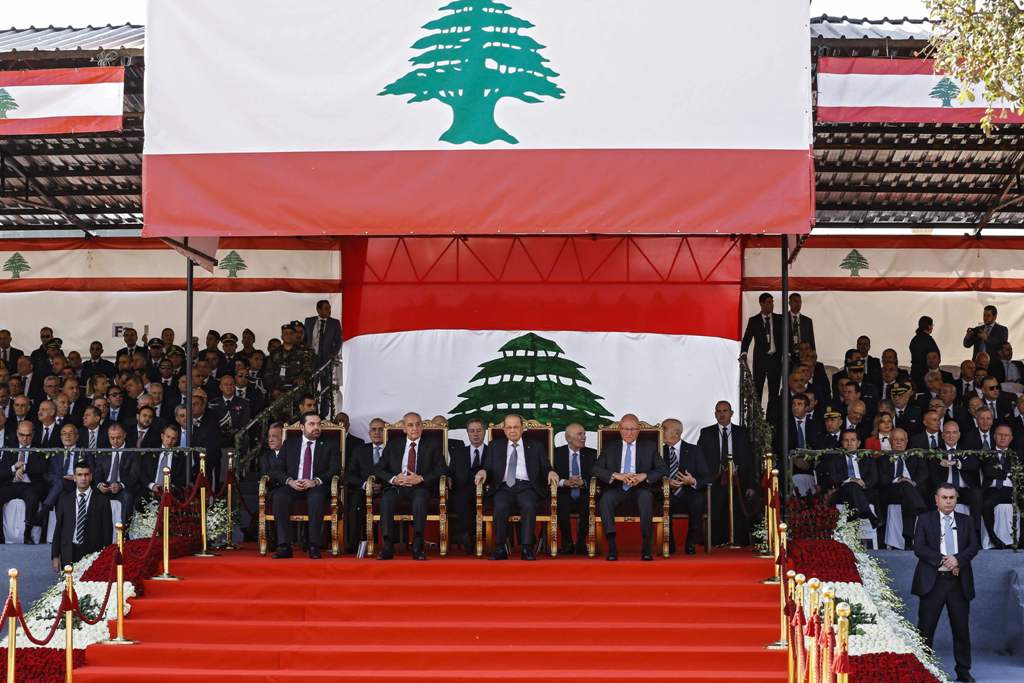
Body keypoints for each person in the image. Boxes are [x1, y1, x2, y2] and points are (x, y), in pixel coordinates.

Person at [913, 484, 979, 683]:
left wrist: (957, 559)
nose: (948, 501)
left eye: (952, 497)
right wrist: (944, 560)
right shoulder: (924, 520)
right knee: (925, 629)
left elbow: (973, 547)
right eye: (944, 497)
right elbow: (919, 547)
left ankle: (963, 671)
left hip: (958, 583)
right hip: (933, 582)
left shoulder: (966, 521)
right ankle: (923, 669)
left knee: (961, 629)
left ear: (956, 499)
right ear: (936, 499)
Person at [474, 413, 559, 561]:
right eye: (508, 427)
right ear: (504, 429)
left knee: (529, 504)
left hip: (527, 486)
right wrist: (482, 471)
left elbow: (545, 467)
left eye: (515, 427)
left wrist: (551, 472)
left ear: (523, 428)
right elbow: (487, 467)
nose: (512, 430)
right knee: (500, 506)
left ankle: (527, 548)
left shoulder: (536, 445)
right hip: (503, 486)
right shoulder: (495, 445)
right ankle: (500, 548)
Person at [592, 413, 669, 561]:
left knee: (646, 498)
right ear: (620, 429)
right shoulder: (610, 447)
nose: (629, 433)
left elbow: (663, 469)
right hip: (617, 488)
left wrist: (644, 476)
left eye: (633, 429)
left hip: (641, 488)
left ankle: (646, 546)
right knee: (606, 499)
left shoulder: (649, 446)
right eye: (625, 429)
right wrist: (616, 475)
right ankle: (612, 546)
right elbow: (595, 469)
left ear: (639, 429)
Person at [375, 412, 446, 560]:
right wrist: (394, 479)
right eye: (410, 425)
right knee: (386, 500)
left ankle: (417, 546)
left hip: (420, 487)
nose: (414, 428)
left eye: (418, 424)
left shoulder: (433, 444)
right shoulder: (394, 444)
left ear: (422, 426)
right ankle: (388, 546)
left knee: (420, 500)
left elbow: (441, 469)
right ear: (404, 428)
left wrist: (421, 478)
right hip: (397, 487)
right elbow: (378, 469)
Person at [270, 411, 340, 559]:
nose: (317, 427)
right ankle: (284, 546)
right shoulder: (290, 444)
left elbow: (335, 468)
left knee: (316, 498)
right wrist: (290, 481)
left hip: (316, 486)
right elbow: (277, 469)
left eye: (318, 424)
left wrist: (315, 481)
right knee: (279, 496)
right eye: (312, 424)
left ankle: (313, 545)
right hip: (294, 485)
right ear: (302, 427)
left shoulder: (329, 444)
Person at [697, 401, 755, 545]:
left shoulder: (742, 433)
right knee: (716, 506)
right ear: (715, 414)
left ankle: (738, 540)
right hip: (714, 480)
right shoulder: (706, 432)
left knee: (737, 507)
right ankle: (716, 540)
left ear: (731, 413)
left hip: (737, 479)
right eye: (719, 411)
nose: (722, 414)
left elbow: (749, 459)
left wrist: (750, 484)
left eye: (725, 410)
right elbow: (700, 457)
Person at [51, 461, 112, 570]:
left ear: (91, 477)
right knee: (68, 586)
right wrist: (55, 556)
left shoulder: (102, 500)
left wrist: (106, 557)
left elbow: (107, 531)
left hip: (93, 555)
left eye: (86, 474)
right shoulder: (64, 499)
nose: (83, 478)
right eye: (79, 475)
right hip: (68, 553)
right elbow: (58, 529)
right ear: (74, 477)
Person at [663, 418, 710, 554]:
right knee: (663, 501)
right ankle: (669, 543)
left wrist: (693, 481)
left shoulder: (694, 450)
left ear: (676, 434)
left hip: (688, 491)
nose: (661, 432)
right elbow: (652, 472)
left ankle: (691, 542)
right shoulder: (659, 451)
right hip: (667, 491)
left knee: (697, 501)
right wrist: (665, 482)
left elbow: (706, 476)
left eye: (664, 430)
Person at [927, 420, 983, 533]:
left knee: (977, 494)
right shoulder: (935, 451)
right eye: (947, 432)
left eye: (954, 432)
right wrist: (940, 465)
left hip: (965, 490)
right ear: (942, 435)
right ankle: (936, 535)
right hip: (944, 491)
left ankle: (975, 534)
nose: (951, 436)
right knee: (932, 495)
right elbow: (932, 475)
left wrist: (958, 463)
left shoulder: (967, 449)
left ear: (959, 434)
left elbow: (975, 465)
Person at [878, 428, 927, 549]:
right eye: (895, 440)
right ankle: (920, 508)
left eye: (902, 440)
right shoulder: (883, 458)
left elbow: (924, 472)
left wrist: (912, 482)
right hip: (891, 491)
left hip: (911, 492)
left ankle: (908, 535)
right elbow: (882, 479)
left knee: (907, 493)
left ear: (907, 441)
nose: (899, 442)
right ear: (890, 441)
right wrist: (899, 480)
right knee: (905, 486)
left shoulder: (914, 456)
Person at [0, 420, 46, 543]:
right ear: (16, 433)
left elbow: (42, 468)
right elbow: (1, 471)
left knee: (32, 498)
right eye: (22, 435)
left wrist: (24, 467)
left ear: (33, 434)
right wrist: (14, 468)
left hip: (30, 485)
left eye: (28, 435)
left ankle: (27, 533)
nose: (24, 438)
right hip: (12, 485)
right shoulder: (9, 447)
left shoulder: (39, 449)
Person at [343, 418, 385, 553]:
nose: (377, 432)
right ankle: (353, 544)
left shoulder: (393, 449)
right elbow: (349, 475)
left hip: (387, 489)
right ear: (369, 432)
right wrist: (366, 484)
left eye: (380, 429)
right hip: (363, 489)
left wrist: (382, 485)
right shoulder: (359, 450)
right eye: (374, 429)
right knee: (354, 502)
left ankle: (389, 543)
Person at [552, 422, 595, 555]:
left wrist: (584, 482)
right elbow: (548, 473)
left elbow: (597, 475)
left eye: (584, 434)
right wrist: (565, 482)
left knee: (588, 505)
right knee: (560, 504)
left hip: (584, 491)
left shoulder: (593, 454)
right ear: (568, 438)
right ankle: (568, 542)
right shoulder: (555, 453)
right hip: (563, 491)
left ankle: (582, 542)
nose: (584, 437)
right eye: (579, 434)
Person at [448, 417, 487, 553]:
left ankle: (466, 535)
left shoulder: (492, 451)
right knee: (461, 498)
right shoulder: (458, 452)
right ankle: (471, 535)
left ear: (484, 432)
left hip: (485, 489)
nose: (475, 434)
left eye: (478, 431)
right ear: (468, 433)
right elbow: (451, 472)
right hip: (462, 489)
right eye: (472, 431)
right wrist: (448, 478)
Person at [826, 430, 880, 527]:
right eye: (846, 440)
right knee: (852, 485)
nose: (849, 443)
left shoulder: (867, 458)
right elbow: (832, 478)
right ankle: (869, 515)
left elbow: (874, 478)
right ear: (842, 443)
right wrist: (851, 480)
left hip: (863, 491)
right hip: (842, 492)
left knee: (857, 491)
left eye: (853, 440)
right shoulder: (835, 459)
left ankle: (852, 530)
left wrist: (863, 483)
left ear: (858, 443)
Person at [93, 423, 139, 529]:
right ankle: (96, 531)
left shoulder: (133, 451)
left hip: (123, 487)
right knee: (91, 493)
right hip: (105, 486)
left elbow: (134, 475)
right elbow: (97, 472)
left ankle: (123, 532)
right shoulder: (103, 450)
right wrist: (99, 484)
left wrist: (120, 485)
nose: (115, 441)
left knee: (127, 496)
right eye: (112, 438)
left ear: (124, 435)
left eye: (118, 437)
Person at [740, 293, 783, 403]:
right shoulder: (754, 321)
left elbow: (785, 338)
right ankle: (757, 418)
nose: (772, 305)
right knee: (757, 389)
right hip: (760, 360)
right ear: (761, 304)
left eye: (772, 302)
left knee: (774, 391)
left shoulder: (779, 319)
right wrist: (744, 352)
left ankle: (772, 417)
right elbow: (747, 339)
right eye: (769, 302)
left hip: (775, 359)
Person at [981, 424, 1016, 549]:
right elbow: (988, 471)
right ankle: (993, 538)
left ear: (1011, 438)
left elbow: (1017, 472)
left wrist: (999, 471)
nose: (1003, 438)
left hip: (1012, 490)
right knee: (986, 504)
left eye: (1006, 435)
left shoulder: (1016, 455)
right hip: (993, 489)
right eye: (1000, 435)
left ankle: (1020, 540)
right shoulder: (987, 453)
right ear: (994, 437)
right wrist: (1006, 472)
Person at [143, 424, 188, 496]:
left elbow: (183, 478)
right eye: (168, 437)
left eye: (173, 438)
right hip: (149, 490)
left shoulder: (181, 456)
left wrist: (171, 487)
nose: (170, 441)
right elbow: (142, 473)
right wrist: (152, 486)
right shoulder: (151, 452)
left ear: (177, 440)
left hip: (172, 493)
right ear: (162, 436)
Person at [304, 300, 342, 366]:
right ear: (319, 310)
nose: (329, 310)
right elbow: (304, 338)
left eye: (330, 308)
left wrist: (333, 354)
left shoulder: (334, 323)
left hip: (327, 358)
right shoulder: (309, 321)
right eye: (326, 308)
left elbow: (339, 340)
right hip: (310, 357)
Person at [910, 316, 941, 389]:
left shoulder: (914, 339)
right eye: (932, 325)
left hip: (914, 372)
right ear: (929, 326)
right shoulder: (928, 340)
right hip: (927, 374)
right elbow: (935, 355)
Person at [787, 293, 815, 362]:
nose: (798, 304)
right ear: (789, 303)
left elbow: (811, 341)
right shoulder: (783, 319)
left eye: (800, 302)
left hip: (805, 357)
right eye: (795, 301)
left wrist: (813, 357)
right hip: (789, 358)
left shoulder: (807, 321)